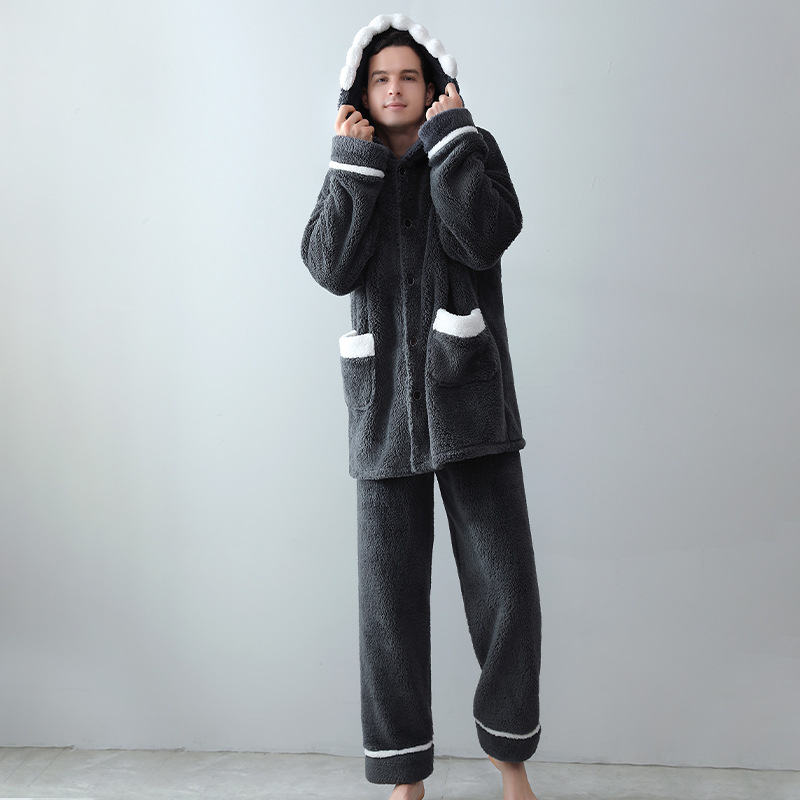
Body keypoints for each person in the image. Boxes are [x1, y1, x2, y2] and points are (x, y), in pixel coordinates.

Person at [301, 14, 542, 800]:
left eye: (408, 75)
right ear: (362, 92)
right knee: (388, 609)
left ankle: (510, 762)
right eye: (381, 78)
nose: (396, 88)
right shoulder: (354, 166)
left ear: (432, 84)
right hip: (383, 413)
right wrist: (354, 168)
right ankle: (405, 776)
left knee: (506, 592)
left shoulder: (468, 147)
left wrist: (452, 140)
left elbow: (484, 238)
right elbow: (329, 267)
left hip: (470, 400)